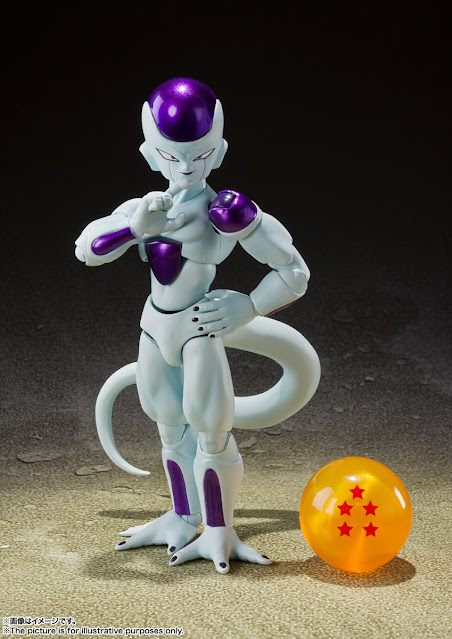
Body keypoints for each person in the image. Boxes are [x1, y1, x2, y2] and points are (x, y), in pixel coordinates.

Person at [75, 77, 320, 574]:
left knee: (210, 433)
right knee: (169, 427)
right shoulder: (145, 210)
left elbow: (294, 273)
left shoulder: (224, 212)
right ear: (150, 155)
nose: (186, 167)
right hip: (154, 327)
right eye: (172, 156)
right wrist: (134, 229)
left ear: (219, 151)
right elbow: (87, 250)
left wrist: (251, 305)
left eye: (200, 155)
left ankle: (219, 528)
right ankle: (183, 516)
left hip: (197, 331)